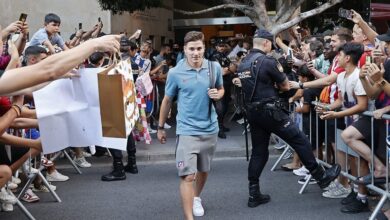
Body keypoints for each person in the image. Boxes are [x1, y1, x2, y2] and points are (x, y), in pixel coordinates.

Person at [235, 29, 341, 208]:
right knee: (299, 140)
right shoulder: (267, 61)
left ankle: (254, 193)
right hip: (271, 111)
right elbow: (285, 86)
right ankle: (321, 177)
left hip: (253, 113)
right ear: (267, 43)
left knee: (259, 152)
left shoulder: (243, 63)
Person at [157, 31, 224, 220]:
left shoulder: (214, 67)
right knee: (188, 176)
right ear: (185, 50)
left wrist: (219, 94)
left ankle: (196, 198)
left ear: (204, 48)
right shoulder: (175, 72)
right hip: (187, 131)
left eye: (199, 48)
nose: (196, 52)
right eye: (192, 49)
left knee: (203, 170)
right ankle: (189, 217)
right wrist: (161, 127)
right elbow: (167, 100)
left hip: (210, 128)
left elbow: (220, 88)